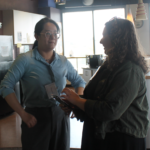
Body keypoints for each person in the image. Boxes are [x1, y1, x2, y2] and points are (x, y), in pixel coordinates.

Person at [60, 18, 150, 150]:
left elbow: (110, 111)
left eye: (104, 36)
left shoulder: (130, 70)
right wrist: (75, 105)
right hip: (102, 135)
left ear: (117, 38)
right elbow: (95, 98)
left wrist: (78, 100)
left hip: (121, 140)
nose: (101, 40)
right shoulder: (109, 64)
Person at [0, 17, 86, 150]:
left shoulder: (63, 61)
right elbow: (6, 86)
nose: (53, 37)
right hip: (35, 117)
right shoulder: (25, 60)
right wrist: (22, 114)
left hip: (60, 115)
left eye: (55, 33)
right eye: (47, 33)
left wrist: (76, 104)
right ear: (36, 36)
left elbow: (79, 81)